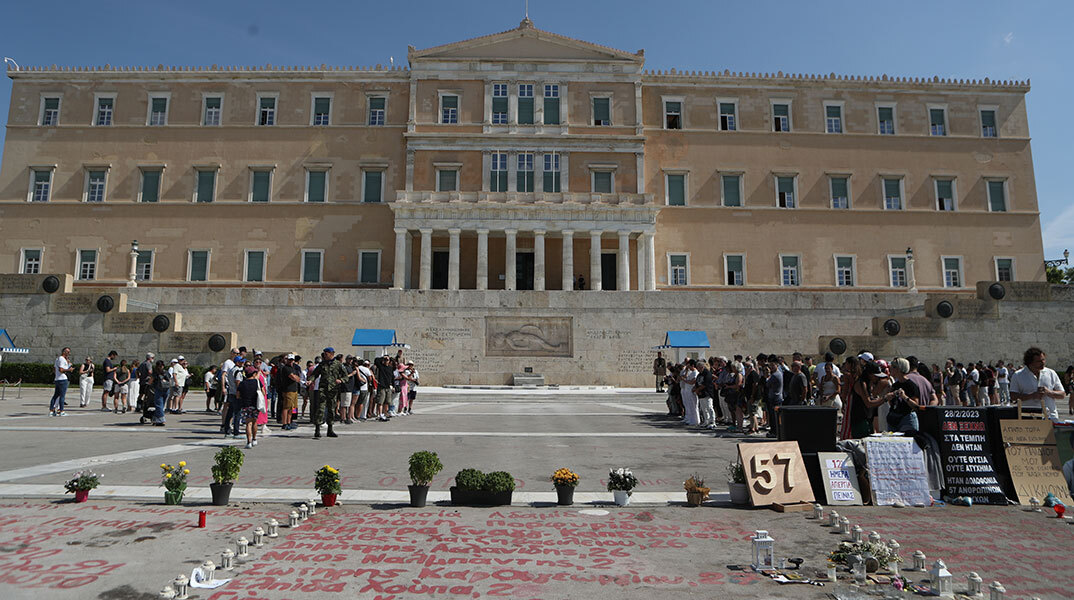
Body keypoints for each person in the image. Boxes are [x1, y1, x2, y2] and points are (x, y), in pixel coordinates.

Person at [1009, 347, 1065, 421]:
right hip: (1027, 417)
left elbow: (1062, 394)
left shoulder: (1051, 373)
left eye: (1043, 360)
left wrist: (1049, 392)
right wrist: (1032, 396)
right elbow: (1013, 396)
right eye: (1039, 361)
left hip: (1051, 416)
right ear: (1030, 362)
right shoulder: (1018, 375)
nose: (1043, 363)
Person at [883, 358, 925, 433]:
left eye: (893, 366)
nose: (890, 368)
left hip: (907, 418)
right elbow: (891, 403)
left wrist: (904, 397)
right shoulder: (895, 385)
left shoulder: (911, 385)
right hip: (893, 418)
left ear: (899, 369)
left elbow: (916, 406)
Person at [310, 347, 344, 439]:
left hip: (333, 390)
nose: (325, 355)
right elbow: (315, 374)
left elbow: (345, 376)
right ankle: (317, 430)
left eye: (326, 353)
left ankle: (330, 430)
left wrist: (340, 380)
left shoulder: (338, 364)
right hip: (323, 389)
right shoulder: (322, 365)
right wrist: (310, 380)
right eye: (324, 353)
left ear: (332, 353)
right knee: (320, 409)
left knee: (331, 410)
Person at [237, 366, 262, 448]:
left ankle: (249, 442)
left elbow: (238, 395)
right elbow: (264, 393)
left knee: (248, 423)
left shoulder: (242, 383)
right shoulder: (257, 382)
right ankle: (254, 439)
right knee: (255, 422)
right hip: (255, 404)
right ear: (253, 374)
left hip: (245, 405)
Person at [146, 360, 172, 426]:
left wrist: (148, 383)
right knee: (162, 405)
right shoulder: (166, 372)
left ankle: (162, 419)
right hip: (166, 390)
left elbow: (150, 381)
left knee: (158, 405)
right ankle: (157, 418)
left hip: (159, 390)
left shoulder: (155, 373)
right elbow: (170, 380)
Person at [278, 354, 300, 430]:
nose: (290, 361)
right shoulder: (286, 368)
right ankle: (284, 423)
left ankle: (289, 421)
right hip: (288, 390)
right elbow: (293, 377)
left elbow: (298, 377)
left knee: (293, 407)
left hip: (294, 390)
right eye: (289, 360)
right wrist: (296, 377)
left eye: (292, 360)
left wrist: (296, 377)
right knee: (286, 407)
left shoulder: (293, 368)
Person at [50, 347, 73, 416]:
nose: (69, 354)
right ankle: (61, 411)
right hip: (63, 379)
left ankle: (52, 410)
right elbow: (61, 369)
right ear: (64, 352)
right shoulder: (62, 359)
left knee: (56, 395)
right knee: (62, 396)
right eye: (68, 352)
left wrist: (68, 365)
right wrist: (69, 370)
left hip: (57, 379)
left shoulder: (58, 359)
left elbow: (54, 369)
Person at [680, 359, 700, 426]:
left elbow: (692, 381)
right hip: (688, 390)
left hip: (692, 391)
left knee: (694, 406)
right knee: (689, 405)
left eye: (689, 366)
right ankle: (691, 419)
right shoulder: (691, 372)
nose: (688, 368)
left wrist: (685, 381)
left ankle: (696, 420)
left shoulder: (695, 372)